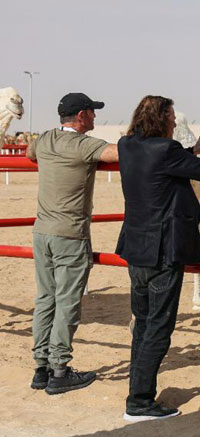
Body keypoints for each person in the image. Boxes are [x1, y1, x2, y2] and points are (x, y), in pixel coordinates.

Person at [115, 95, 200, 422]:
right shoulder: (165, 151)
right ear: (162, 120)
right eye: (169, 116)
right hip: (164, 252)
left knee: (142, 323)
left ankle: (136, 392)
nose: (172, 121)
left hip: (136, 248)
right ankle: (139, 401)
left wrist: (194, 147)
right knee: (159, 326)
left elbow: (167, 161)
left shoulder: (128, 145)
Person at [27, 93, 119, 395]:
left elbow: (29, 153)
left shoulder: (45, 139)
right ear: (81, 116)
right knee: (67, 302)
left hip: (42, 232)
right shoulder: (84, 145)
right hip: (70, 234)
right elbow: (119, 154)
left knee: (45, 299)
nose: (95, 118)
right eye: (92, 113)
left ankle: (41, 367)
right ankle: (59, 370)